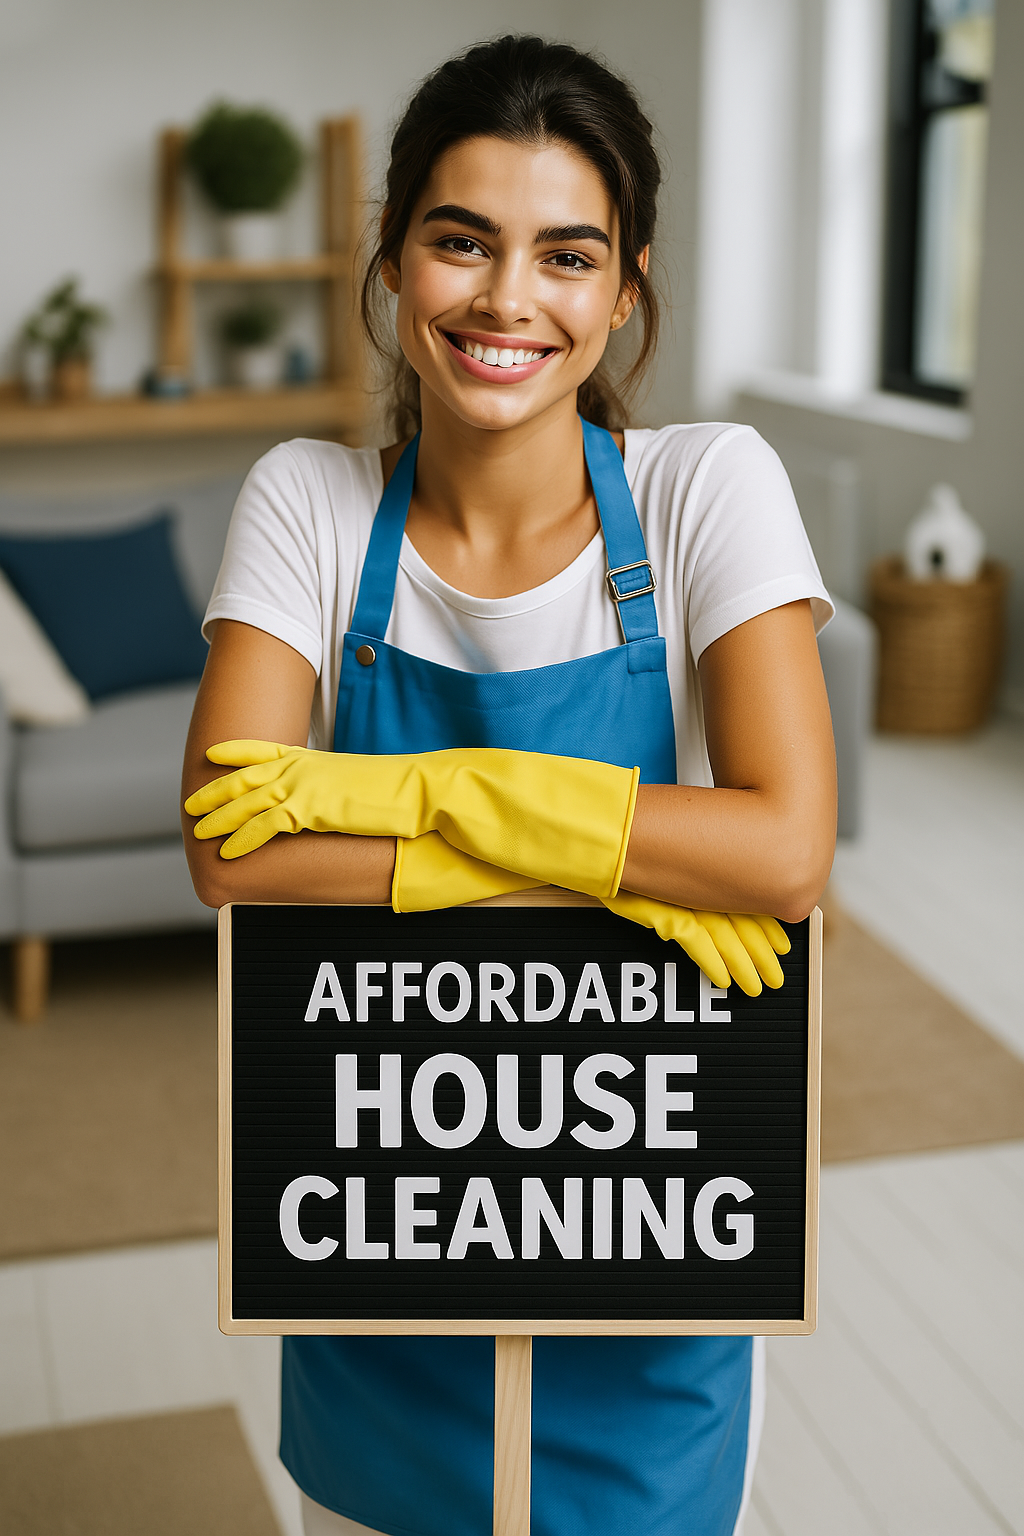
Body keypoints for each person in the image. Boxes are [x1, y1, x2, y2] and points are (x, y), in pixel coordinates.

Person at [182, 34, 836, 1536]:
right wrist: (638, 858)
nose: (507, 300)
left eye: (567, 255)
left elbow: (787, 853)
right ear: (397, 260)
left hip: (647, 1270)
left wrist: (428, 797)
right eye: (461, 242)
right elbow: (234, 850)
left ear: (624, 290)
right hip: (378, 1277)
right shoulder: (310, 502)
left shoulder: (703, 491)